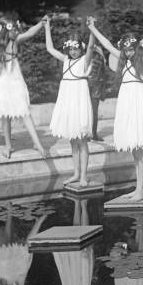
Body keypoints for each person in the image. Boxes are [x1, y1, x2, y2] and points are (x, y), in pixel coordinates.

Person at [87, 17, 143, 201]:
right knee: (134, 149)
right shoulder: (123, 60)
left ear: (137, 48)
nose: (128, 53)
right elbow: (105, 43)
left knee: (140, 146)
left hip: (138, 105)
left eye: (131, 49)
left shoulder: (141, 60)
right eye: (125, 49)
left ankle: (141, 190)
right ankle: (138, 188)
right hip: (127, 104)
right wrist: (93, 28)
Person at [0, 17, 48, 159]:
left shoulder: (15, 40)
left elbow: (30, 33)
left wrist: (41, 23)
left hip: (14, 79)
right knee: (5, 115)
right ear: (5, 31)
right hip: (0, 80)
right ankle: (8, 145)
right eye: (13, 29)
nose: (16, 31)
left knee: (24, 110)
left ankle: (37, 143)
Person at [44, 19, 95, 186]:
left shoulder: (84, 61)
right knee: (73, 140)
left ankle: (84, 176)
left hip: (79, 99)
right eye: (71, 49)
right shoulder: (65, 59)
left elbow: (90, 47)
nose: (73, 52)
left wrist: (92, 29)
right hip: (67, 100)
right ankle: (75, 173)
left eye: (76, 48)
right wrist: (47, 28)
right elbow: (49, 48)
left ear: (80, 48)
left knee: (81, 139)